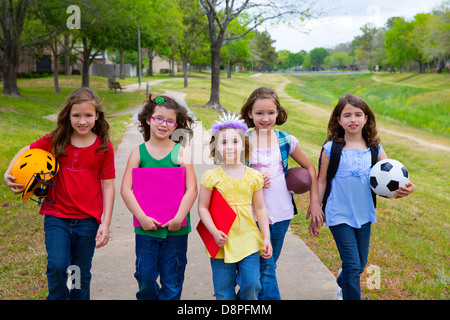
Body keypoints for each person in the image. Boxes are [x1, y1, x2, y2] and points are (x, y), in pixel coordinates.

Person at [4, 87, 116, 300]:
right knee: (58, 265)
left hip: (87, 220)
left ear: (97, 116)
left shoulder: (103, 147)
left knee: (79, 272)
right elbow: (26, 150)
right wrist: (8, 172)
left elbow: (108, 186)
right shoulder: (56, 139)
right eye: (76, 115)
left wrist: (106, 223)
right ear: (68, 116)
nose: (82, 121)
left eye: (88, 115)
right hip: (57, 216)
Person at [317, 93, 415, 300]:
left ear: (366, 118)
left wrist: (406, 188)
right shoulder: (331, 149)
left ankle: (342, 283)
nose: (353, 119)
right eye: (347, 115)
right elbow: (322, 180)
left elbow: (392, 179)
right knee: (352, 265)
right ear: (338, 120)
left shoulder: (374, 149)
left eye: (358, 114)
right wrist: (317, 206)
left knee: (359, 265)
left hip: (364, 214)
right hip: (338, 213)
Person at [240, 87, 324, 299]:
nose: (265, 118)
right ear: (250, 113)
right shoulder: (242, 140)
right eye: (259, 113)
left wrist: (315, 203)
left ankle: (244, 298)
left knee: (269, 264)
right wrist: (252, 178)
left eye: (270, 112)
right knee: (265, 267)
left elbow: (310, 168)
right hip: (250, 214)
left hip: (281, 212)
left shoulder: (286, 140)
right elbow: (230, 174)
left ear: (278, 112)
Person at [120, 95, 197, 300]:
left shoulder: (181, 153)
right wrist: (142, 218)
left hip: (176, 230)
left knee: (172, 281)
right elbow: (126, 189)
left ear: (176, 126)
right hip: (146, 229)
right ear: (148, 120)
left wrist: (179, 218)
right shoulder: (138, 153)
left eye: (170, 121)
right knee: (145, 278)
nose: (164, 124)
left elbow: (192, 189)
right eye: (159, 119)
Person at [197, 112, 273, 300]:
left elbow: (261, 208)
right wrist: (214, 232)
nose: (229, 147)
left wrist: (266, 237)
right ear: (216, 146)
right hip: (221, 240)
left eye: (234, 141)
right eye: (223, 142)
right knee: (223, 291)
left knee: (251, 283)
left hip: (248, 238)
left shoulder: (254, 176)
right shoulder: (211, 176)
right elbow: (202, 208)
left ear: (243, 145)